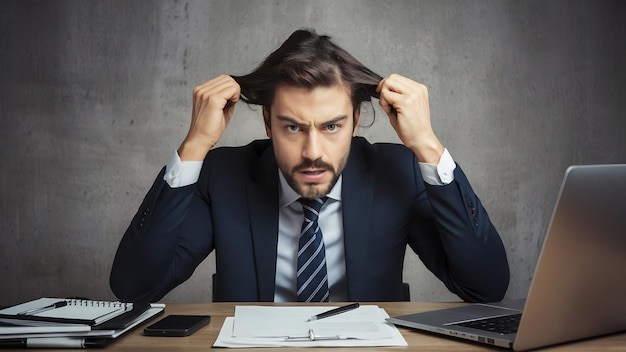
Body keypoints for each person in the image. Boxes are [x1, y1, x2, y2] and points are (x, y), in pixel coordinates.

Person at [110, 29, 509, 303]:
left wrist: (427, 144)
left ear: (355, 121)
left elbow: (485, 286)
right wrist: (195, 144)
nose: (312, 151)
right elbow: (133, 286)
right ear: (268, 123)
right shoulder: (224, 176)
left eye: (332, 126)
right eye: (293, 127)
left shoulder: (397, 171)